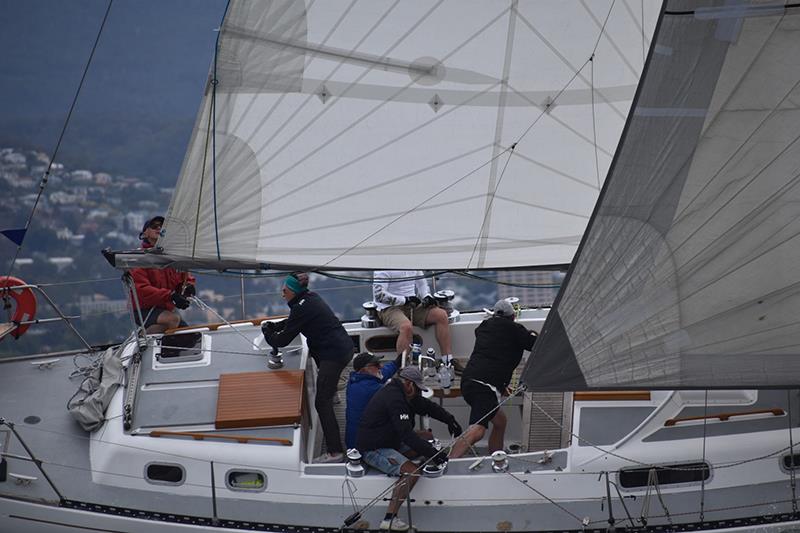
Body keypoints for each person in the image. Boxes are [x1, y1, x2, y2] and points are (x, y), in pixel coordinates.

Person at [262, 272, 353, 463]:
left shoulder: (301, 307)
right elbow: (294, 322)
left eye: (284, 290)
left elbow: (283, 340)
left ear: (293, 291)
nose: (282, 293)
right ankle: (334, 393)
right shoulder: (310, 298)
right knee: (315, 348)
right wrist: (276, 325)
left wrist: (268, 333)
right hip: (342, 347)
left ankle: (335, 452)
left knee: (321, 402)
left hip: (334, 354)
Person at [357, 366, 462, 531]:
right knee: (412, 472)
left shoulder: (405, 393)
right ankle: (389, 519)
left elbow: (427, 406)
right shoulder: (395, 399)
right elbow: (407, 435)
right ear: (408, 383)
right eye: (417, 388)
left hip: (390, 440)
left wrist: (450, 420)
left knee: (427, 437)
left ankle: (428, 458)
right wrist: (433, 454)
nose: (418, 392)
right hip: (374, 448)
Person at [449, 299, 537, 459]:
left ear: (495, 315)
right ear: (512, 317)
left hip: (469, 381)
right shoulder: (515, 329)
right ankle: (449, 463)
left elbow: (494, 351)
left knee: (500, 421)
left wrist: (502, 386)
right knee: (478, 430)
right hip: (484, 386)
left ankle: (496, 455)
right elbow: (536, 345)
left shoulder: (484, 327)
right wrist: (532, 334)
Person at [130, 216, 196, 334]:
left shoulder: (170, 257)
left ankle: (165, 347)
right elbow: (142, 289)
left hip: (166, 308)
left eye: (162, 226)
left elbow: (185, 277)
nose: (159, 228)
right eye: (154, 226)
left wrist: (188, 287)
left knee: (189, 334)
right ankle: (143, 339)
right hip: (144, 310)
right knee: (172, 319)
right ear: (145, 233)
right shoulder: (140, 259)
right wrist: (170, 296)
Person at [373, 270, 453, 364]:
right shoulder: (383, 266)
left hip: (411, 304)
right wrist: (404, 300)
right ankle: (401, 366)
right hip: (388, 307)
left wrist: (426, 296)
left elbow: (422, 284)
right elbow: (379, 295)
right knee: (406, 327)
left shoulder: (413, 261)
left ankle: (447, 359)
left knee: (441, 315)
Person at [345, 351, 401, 449]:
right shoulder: (370, 389)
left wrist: (396, 363)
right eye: (376, 365)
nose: (381, 366)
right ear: (363, 370)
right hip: (364, 446)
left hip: (354, 440)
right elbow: (400, 394)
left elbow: (383, 373)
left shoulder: (357, 379)